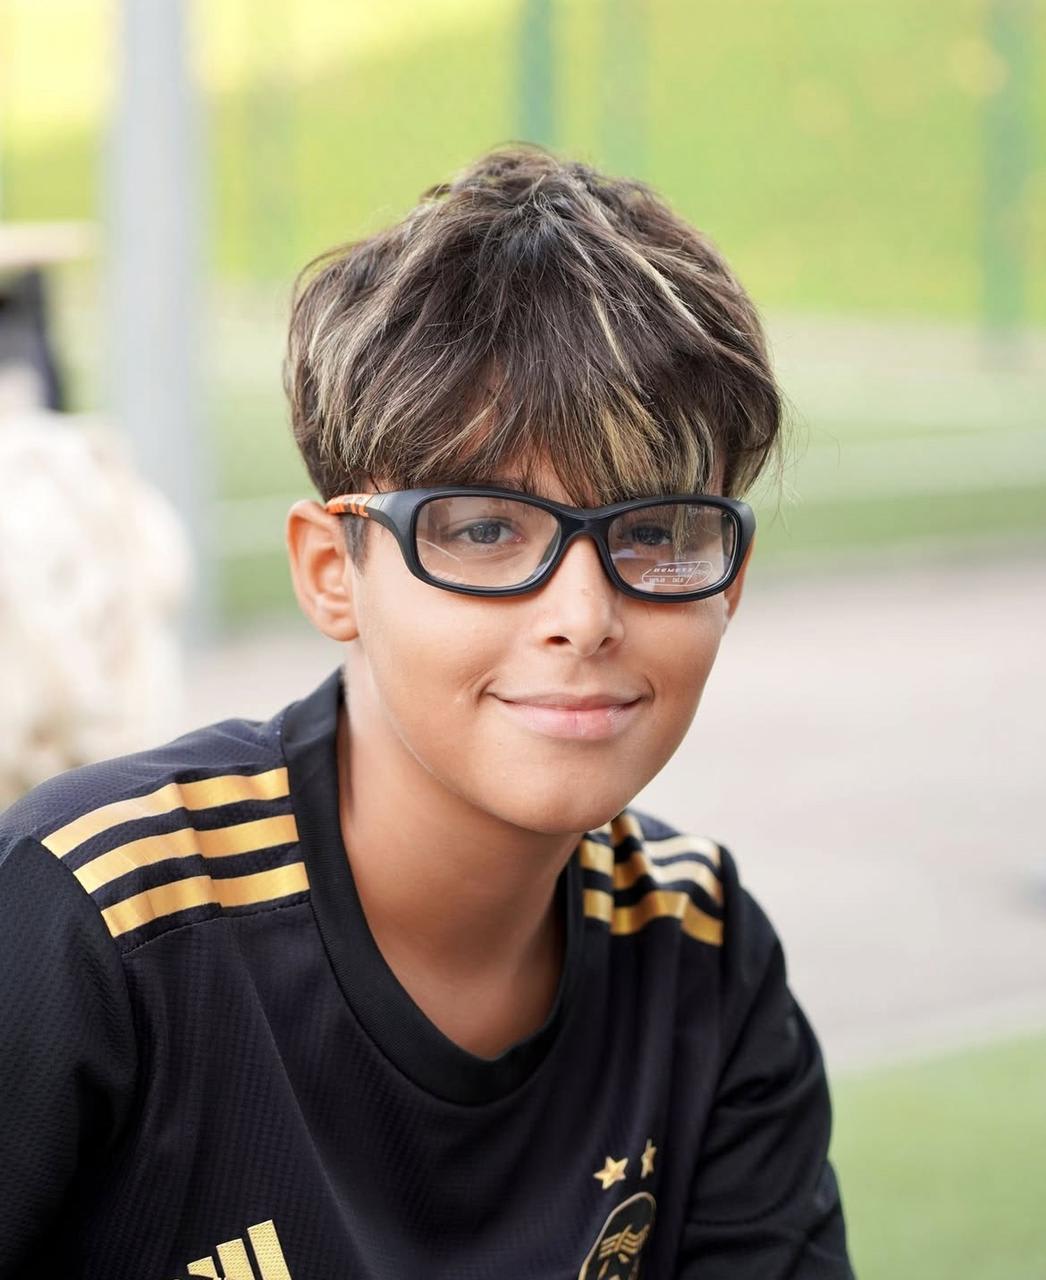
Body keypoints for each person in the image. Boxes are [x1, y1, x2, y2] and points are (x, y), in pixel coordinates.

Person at [0, 144, 854, 1278]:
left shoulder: (699, 948)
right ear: (332, 572)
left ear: (727, 583)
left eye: (654, 531)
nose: (584, 615)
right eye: (485, 529)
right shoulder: (95, 922)